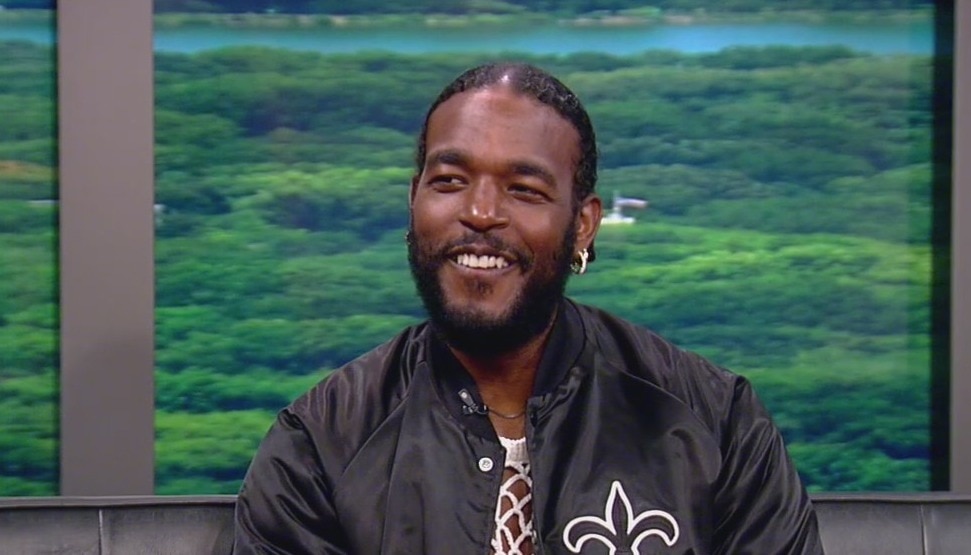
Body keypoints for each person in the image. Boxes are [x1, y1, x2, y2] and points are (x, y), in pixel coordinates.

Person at [233, 62, 823, 555]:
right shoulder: (321, 444)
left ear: (583, 225)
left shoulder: (716, 422)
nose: (481, 213)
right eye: (450, 181)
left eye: (525, 190)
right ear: (413, 201)